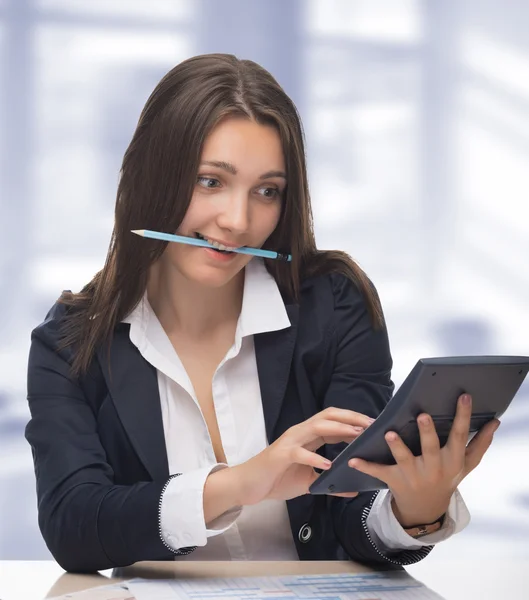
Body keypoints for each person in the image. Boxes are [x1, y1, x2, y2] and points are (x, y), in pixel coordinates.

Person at [25, 53, 499, 573]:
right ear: (148, 175)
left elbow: (355, 510)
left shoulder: (337, 306)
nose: (238, 220)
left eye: (266, 191)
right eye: (211, 181)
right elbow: (73, 527)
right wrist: (240, 484)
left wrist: (416, 511)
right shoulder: (69, 343)